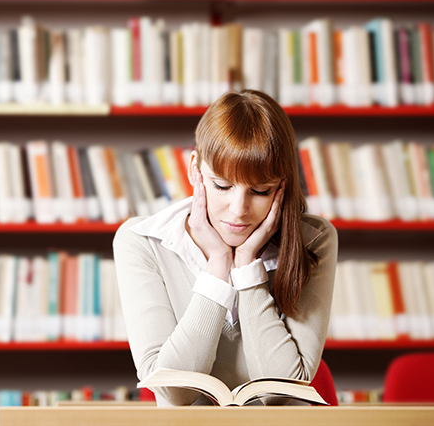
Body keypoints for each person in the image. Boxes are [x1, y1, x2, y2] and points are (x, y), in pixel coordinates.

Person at [113, 89, 338, 406]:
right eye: (222, 186)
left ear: (282, 186)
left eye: (260, 191)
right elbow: (174, 393)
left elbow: (280, 394)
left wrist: (247, 269)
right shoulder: (143, 241)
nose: (238, 209)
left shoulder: (314, 240)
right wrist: (218, 267)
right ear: (195, 170)